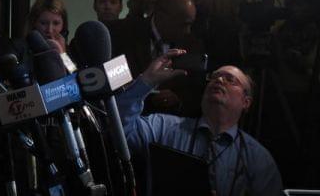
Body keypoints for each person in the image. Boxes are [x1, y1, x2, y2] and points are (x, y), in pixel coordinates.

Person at [116, 52, 283, 196]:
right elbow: (117, 130)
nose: (219, 80)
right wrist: (147, 81)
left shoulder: (259, 159)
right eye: (214, 76)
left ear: (246, 102)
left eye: (230, 80)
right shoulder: (164, 127)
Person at [109, 0, 204, 116]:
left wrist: (178, 98)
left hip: (171, 123)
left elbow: (196, 88)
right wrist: (145, 93)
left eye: (190, 24)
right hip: (128, 119)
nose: (187, 31)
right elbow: (113, 81)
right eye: (183, 24)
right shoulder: (122, 35)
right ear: (161, 15)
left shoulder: (192, 45)